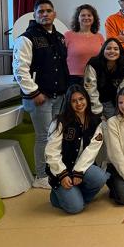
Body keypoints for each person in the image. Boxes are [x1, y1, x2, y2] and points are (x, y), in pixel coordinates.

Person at [13, 0, 70, 189]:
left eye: (48, 11)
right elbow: (20, 69)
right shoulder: (27, 38)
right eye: (41, 11)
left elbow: (62, 66)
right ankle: (41, 175)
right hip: (39, 97)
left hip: (58, 95)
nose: (45, 14)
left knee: (55, 135)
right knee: (43, 137)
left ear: (54, 14)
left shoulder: (59, 37)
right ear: (35, 15)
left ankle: (54, 170)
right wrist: (34, 92)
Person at [45, 85, 109, 213]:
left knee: (100, 177)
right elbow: (51, 153)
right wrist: (62, 175)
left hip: (82, 167)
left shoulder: (95, 122)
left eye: (81, 99)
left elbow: (92, 150)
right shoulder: (60, 122)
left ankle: (75, 195)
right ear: (69, 103)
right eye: (74, 101)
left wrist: (78, 171)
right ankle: (58, 197)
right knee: (76, 208)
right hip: (62, 170)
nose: (79, 103)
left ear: (86, 99)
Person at [84, 38, 124, 119]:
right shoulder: (94, 63)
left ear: (120, 51)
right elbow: (90, 89)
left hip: (115, 100)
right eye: (108, 48)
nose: (112, 51)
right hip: (95, 100)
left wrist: (121, 107)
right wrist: (97, 110)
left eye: (116, 49)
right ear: (103, 50)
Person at [64, 4, 104, 84]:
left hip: (95, 78)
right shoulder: (68, 35)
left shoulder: (99, 36)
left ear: (94, 18)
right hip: (73, 79)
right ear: (78, 18)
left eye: (89, 15)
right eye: (83, 15)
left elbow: (103, 58)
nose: (86, 17)